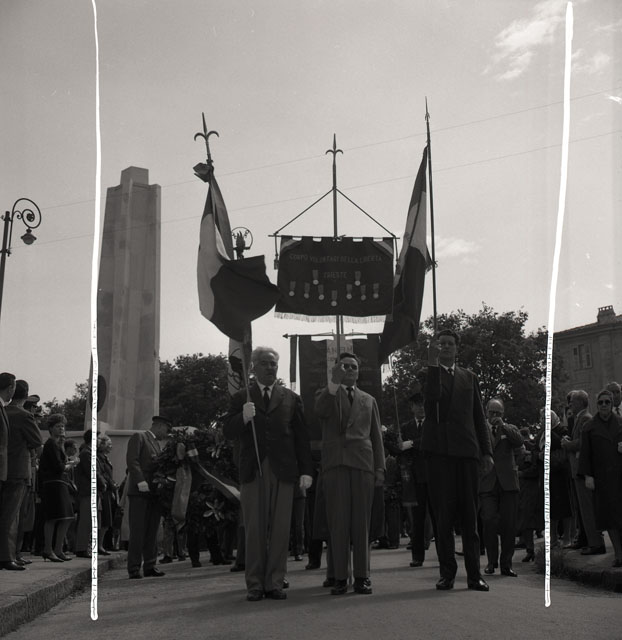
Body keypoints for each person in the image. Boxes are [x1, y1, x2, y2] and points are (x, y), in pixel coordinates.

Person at [223, 347, 313, 602]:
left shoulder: (291, 398)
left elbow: (301, 438)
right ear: (253, 367)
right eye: (265, 363)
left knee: (281, 529)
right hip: (254, 470)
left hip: (283, 471)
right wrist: (242, 417)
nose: (270, 367)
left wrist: (306, 471)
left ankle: (275, 581)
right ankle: (254, 583)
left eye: (273, 363)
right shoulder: (242, 397)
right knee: (254, 529)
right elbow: (227, 431)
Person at [420, 329, 493, 592]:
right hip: (440, 454)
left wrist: (486, 452)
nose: (446, 347)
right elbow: (431, 400)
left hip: (466, 453)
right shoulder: (428, 373)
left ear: (457, 348)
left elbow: (479, 417)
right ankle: (447, 574)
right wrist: (432, 364)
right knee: (444, 518)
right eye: (441, 344)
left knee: (470, 518)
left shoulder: (469, 377)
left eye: (450, 343)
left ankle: (474, 575)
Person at [314, 351, 385, 596]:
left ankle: (362, 576)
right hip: (336, 463)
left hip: (363, 463)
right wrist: (333, 384)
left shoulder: (368, 399)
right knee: (339, 522)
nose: (350, 370)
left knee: (361, 523)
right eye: (344, 366)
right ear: (336, 370)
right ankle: (340, 577)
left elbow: (376, 435)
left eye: (354, 366)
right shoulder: (326, 394)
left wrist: (380, 467)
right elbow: (320, 411)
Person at [577, 389, 622, 567]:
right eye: (601, 402)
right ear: (597, 405)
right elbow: (585, 454)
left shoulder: (620, 423)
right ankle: (618, 554)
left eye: (607, 402)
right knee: (609, 518)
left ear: (612, 404)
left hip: (619, 476)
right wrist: (588, 475)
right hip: (602, 479)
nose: (604, 405)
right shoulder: (589, 427)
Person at [0, 379, 42, 570]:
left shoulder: (4, 411)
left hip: (5, 468)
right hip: (19, 469)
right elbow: (36, 440)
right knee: (13, 516)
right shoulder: (24, 415)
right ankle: (9, 556)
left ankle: (11, 554)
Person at [479, 398, 523, 577]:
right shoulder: (481, 429)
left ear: (503, 414)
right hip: (488, 483)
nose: (494, 416)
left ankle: (506, 564)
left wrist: (503, 426)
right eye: (492, 412)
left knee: (508, 524)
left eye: (498, 413)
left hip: (508, 483)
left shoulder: (509, 428)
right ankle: (491, 562)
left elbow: (519, 441)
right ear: (486, 412)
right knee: (489, 521)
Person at [126, 415, 173, 579]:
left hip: (153, 493)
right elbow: (132, 461)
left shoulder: (157, 445)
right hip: (140, 491)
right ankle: (134, 568)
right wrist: (140, 480)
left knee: (152, 531)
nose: (166, 433)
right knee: (138, 531)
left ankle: (150, 565)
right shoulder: (139, 437)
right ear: (159, 426)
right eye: (166, 429)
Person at [561, 390, 605, 554]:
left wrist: (568, 444)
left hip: (582, 470)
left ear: (580, 402)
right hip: (578, 470)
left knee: (588, 508)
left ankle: (596, 543)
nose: (570, 404)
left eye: (572, 401)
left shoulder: (585, 418)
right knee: (582, 509)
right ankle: (587, 540)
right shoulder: (580, 418)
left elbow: (583, 443)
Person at [38, 414, 76, 562]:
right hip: (53, 484)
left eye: (62, 426)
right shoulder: (50, 444)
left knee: (66, 517)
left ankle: (58, 549)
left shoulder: (57, 444)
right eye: (58, 426)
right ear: (51, 429)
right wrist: (71, 464)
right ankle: (48, 549)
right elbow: (58, 466)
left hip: (60, 483)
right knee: (53, 517)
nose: (61, 429)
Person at [540, 409, 574, 547]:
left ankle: (567, 537)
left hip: (561, 473)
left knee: (565, 507)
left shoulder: (561, 431)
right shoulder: (542, 434)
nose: (543, 421)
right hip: (548, 474)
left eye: (546, 418)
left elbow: (562, 444)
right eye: (542, 418)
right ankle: (553, 538)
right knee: (550, 508)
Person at [97, 433, 118, 555]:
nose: (111, 447)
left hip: (108, 491)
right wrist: (111, 484)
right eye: (108, 444)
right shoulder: (99, 458)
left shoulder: (105, 458)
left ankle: (101, 544)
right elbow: (104, 474)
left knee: (107, 520)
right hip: (104, 490)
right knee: (104, 519)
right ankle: (99, 545)